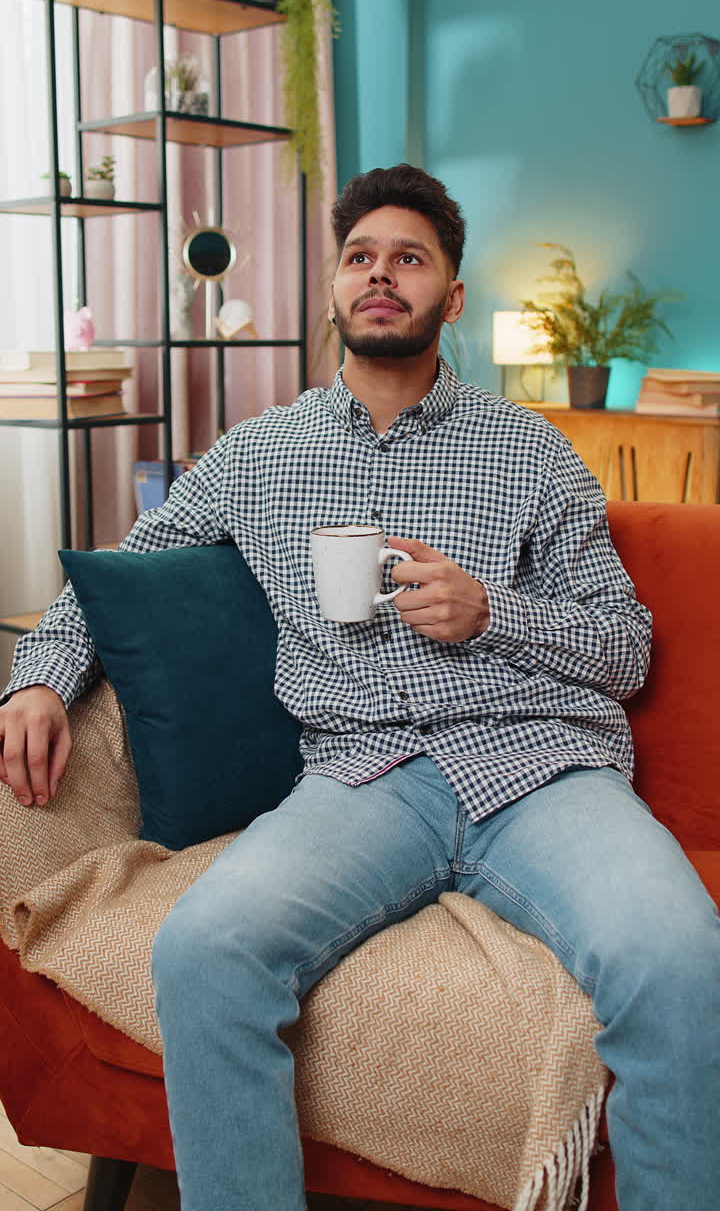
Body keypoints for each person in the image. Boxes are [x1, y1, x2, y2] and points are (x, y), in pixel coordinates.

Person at [0, 165, 718, 1211]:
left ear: (452, 297)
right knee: (202, 949)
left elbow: (627, 647)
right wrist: (37, 681)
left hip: (541, 769)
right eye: (360, 257)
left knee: (684, 958)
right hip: (360, 775)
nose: (382, 275)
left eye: (410, 258)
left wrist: (492, 613)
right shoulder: (258, 454)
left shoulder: (534, 453)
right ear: (335, 289)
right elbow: (127, 564)